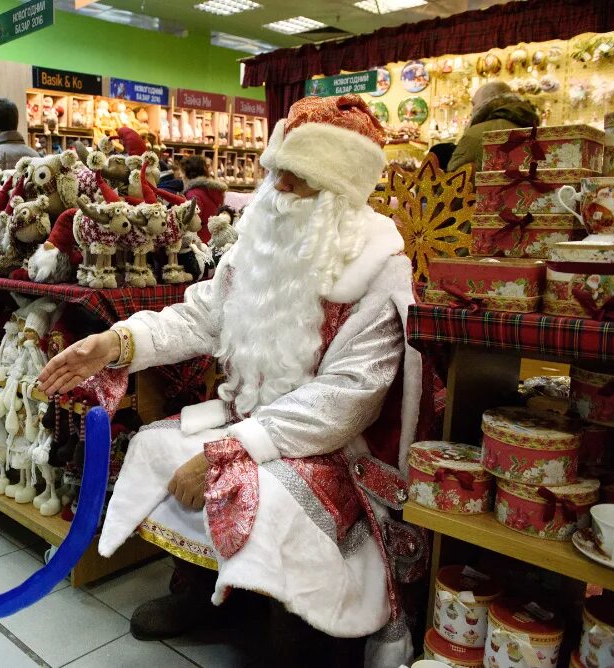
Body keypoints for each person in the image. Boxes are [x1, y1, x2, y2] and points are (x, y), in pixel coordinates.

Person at [38, 94, 427, 667]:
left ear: (337, 194)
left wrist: (233, 451)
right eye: (276, 172)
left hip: (329, 447)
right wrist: (117, 343)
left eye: (296, 179)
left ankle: (296, 632)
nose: (276, 190)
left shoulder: (378, 266)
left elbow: (348, 398)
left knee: (259, 495)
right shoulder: (257, 246)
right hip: (247, 416)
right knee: (155, 444)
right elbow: (199, 316)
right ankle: (199, 594)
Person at [448, 81, 540, 172]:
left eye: (474, 104)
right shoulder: (536, 132)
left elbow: (455, 179)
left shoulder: (477, 133)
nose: (472, 110)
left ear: (485, 102)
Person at [182, 155, 227, 243]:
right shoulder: (213, 191)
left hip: (198, 244)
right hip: (212, 240)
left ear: (188, 173)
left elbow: (193, 224)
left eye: (183, 172)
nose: (182, 175)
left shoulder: (193, 194)